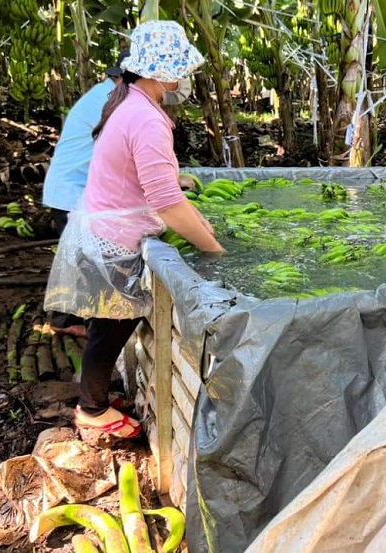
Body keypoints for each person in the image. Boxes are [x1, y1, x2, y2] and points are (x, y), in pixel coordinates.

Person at [44, 20, 225, 438]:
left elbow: (150, 181)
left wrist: (195, 216)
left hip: (103, 228)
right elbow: (167, 204)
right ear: (161, 71)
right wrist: (214, 250)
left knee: (110, 326)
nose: (183, 77)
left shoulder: (129, 102)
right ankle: (91, 410)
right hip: (113, 239)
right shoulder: (145, 117)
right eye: (179, 67)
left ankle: (94, 399)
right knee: (110, 329)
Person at [42, 50, 129, 337]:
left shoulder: (105, 95)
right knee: (84, 262)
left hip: (70, 187)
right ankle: (71, 323)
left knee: (79, 260)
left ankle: (68, 319)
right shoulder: (111, 102)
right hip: (72, 190)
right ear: (123, 78)